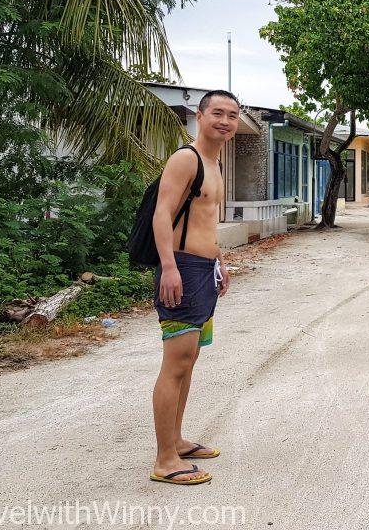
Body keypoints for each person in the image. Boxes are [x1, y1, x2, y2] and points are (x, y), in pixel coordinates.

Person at [149, 90, 238, 486]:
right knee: (176, 363)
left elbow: (205, 221)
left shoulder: (214, 164)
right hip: (181, 269)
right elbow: (162, 215)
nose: (225, 120)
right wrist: (169, 266)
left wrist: (218, 260)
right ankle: (165, 459)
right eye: (217, 112)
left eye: (232, 115)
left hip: (203, 270)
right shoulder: (185, 159)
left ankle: (178, 441)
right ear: (199, 116)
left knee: (190, 362)